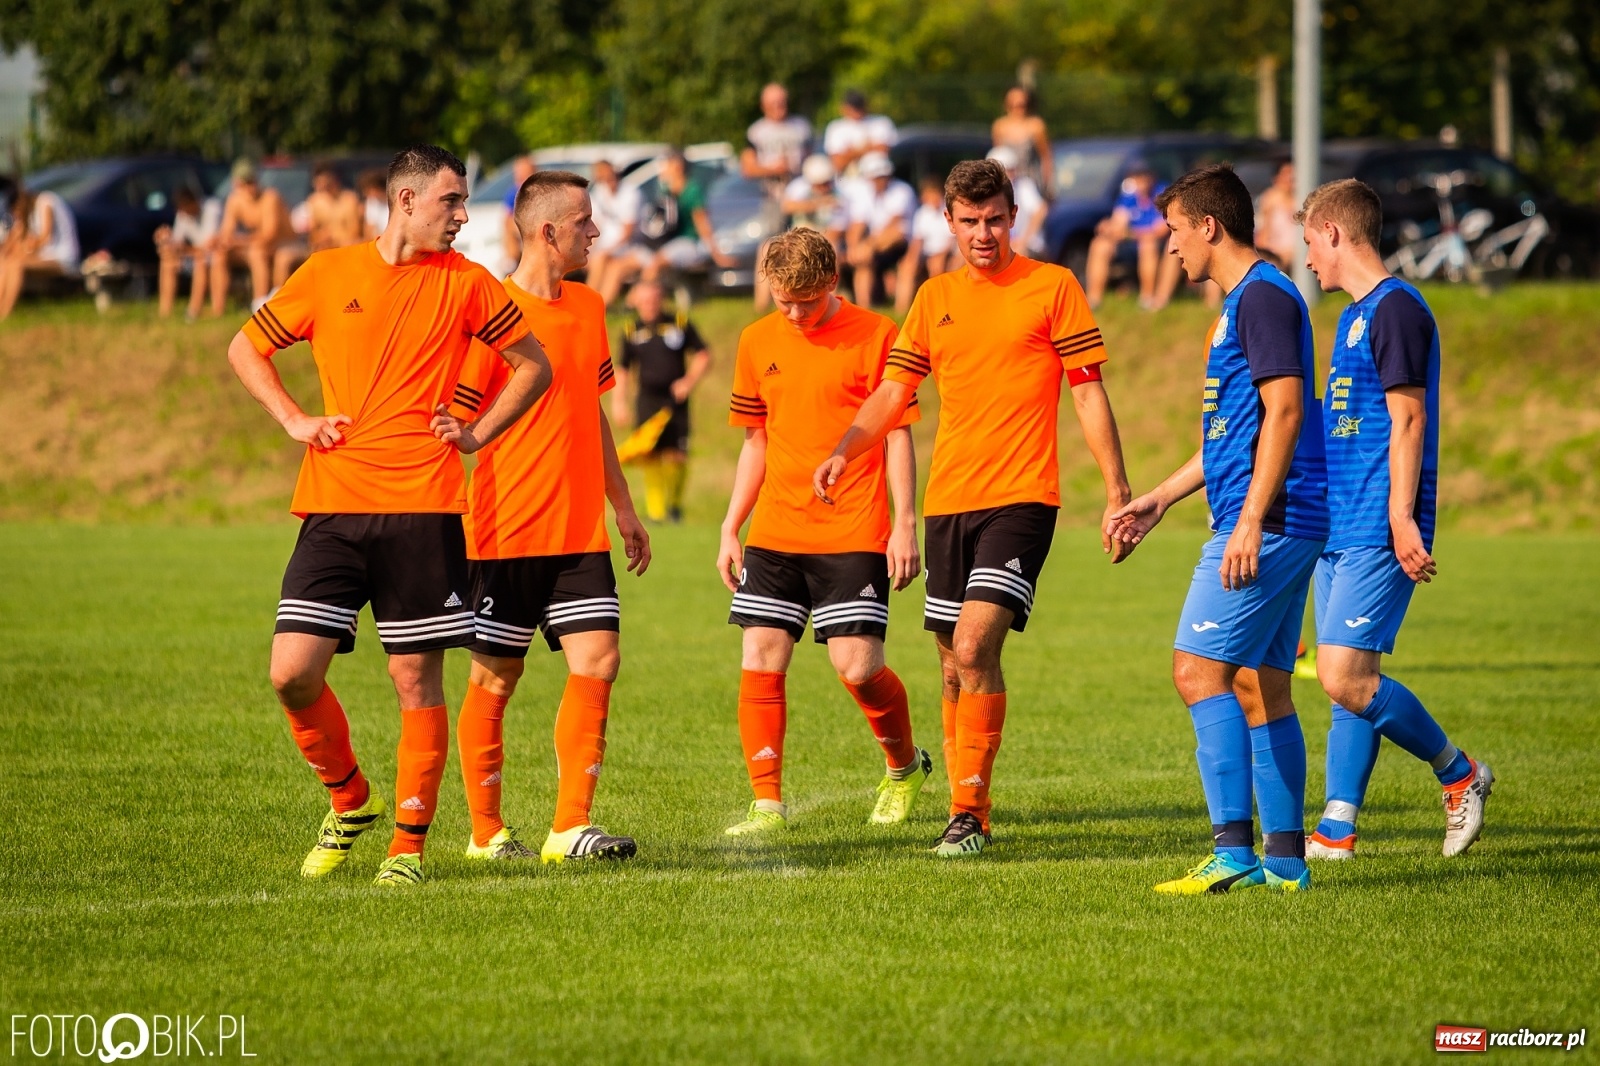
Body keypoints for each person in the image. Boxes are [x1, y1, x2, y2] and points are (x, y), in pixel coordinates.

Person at [225, 144, 553, 888]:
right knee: (291, 675)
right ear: (406, 202)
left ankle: (406, 850)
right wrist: (292, 418)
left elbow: (535, 364)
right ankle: (348, 799)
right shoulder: (327, 272)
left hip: (423, 507)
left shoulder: (469, 284)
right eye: (451, 202)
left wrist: (474, 434)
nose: (464, 217)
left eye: (465, 203)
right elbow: (247, 348)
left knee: (416, 682)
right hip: (334, 505)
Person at [813, 159, 1134, 858]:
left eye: (994, 220)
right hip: (948, 502)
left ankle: (970, 814)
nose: (983, 234)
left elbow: (1086, 392)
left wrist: (1117, 491)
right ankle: (963, 800)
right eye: (969, 221)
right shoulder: (933, 298)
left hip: (1023, 498)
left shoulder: (1054, 286)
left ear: (1012, 217)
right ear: (950, 222)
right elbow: (894, 392)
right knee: (951, 667)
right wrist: (846, 447)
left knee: (974, 645)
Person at [1106, 164, 1328, 894]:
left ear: (1209, 227)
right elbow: (1236, 433)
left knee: (1196, 671)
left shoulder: (1261, 298)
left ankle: (1233, 854)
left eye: (1173, 231)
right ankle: (1287, 863)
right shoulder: (1242, 303)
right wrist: (1161, 498)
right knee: (1262, 684)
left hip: (1270, 520)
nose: (1169, 247)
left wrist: (1251, 521)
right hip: (1273, 517)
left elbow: (1289, 412)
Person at [452, 170, 651, 865]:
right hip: (505, 529)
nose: (597, 233)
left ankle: (569, 827)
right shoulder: (488, 310)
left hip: (578, 532)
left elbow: (589, 413)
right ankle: (485, 835)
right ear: (548, 231)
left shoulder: (592, 306)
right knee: (495, 679)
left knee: (599, 660)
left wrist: (623, 507)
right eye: (586, 222)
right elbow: (458, 418)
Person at [1296, 178, 1493, 860]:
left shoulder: (1396, 310)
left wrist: (1402, 520)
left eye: (1310, 245)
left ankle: (1460, 773)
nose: (1309, 260)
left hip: (1379, 525)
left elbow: (1409, 419)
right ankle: (1337, 828)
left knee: (1344, 676)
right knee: (1348, 680)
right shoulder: (1353, 317)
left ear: (1334, 235)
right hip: (1340, 522)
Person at [718, 227, 930, 835]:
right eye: (782, 301)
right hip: (777, 530)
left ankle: (903, 767)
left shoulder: (878, 335)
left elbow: (896, 434)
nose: (793, 313)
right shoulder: (757, 340)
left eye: (805, 302)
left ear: (832, 284)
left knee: (858, 667)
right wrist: (732, 527)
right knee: (760, 654)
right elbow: (755, 442)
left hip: (855, 528)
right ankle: (766, 804)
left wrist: (904, 523)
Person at [612, 279, 711, 523]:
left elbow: (703, 355)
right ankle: (656, 513)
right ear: (636, 302)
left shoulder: (679, 323)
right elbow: (623, 369)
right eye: (644, 300)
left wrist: (688, 382)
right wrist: (619, 402)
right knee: (650, 455)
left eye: (653, 299)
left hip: (675, 399)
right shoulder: (630, 330)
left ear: (661, 299)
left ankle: (675, 506)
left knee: (677, 454)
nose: (649, 305)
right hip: (647, 399)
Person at [600, 150, 730, 305]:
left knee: (654, 264)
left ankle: (633, 304)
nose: (663, 168)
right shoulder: (666, 191)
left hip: (687, 242)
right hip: (661, 244)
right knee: (618, 265)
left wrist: (716, 253)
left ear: (678, 166)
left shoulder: (692, 191)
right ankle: (601, 306)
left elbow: (703, 224)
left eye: (667, 164)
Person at [755, 154, 849, 311]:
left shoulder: (839, 196)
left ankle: (830, 302)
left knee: (833, 250)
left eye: (825, 183)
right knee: (766, 249)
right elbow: (787, 206)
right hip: (795, 240)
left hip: (823, 241)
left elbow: (836, 231)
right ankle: (762, 305)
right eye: (818, 184)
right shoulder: (799, 187)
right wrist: (817, 204)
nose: (822, 187)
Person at [1083, 162, 1182, 311]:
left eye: (1143, 176)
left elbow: (1160, 230)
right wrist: (1108, 227)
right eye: (1137, 177)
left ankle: (1147, 298)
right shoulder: (1129, 196)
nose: (1141, 181)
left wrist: (1129, 233)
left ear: (1151, 176)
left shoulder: (1163, 194)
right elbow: (1119, 222)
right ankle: (1094, 299)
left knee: (1147, 244)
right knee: (1099, 244)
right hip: (1131, 244)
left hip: (1157, 244)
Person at [210, 159, 293, 314]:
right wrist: (221, 241)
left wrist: (238, 241)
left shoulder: (270, 197)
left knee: (257, 252)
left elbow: (270, 235)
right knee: (220, 254)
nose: (249, 187)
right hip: (258, 245)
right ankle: (218, 308)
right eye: (245, 183)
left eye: (251, 181)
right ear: (236, 184)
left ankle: (259, 303)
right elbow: (226, 232)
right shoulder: (235, 201)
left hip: (284, 244)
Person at [844, 151, 914, 309]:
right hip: (878, 243)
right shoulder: (865, 194)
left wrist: (867, 245)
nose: (880, 180)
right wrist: (853, 248)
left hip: (901, 244)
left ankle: (899, 308)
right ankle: (864, 308)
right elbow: (857, 224)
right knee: (863, 261)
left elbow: (895, 223)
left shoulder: (902, 190)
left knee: (895, 233)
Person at [275, 163, 365, 284]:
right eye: (319, 183)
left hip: (346, 244)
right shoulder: (315, 201)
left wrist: (333, 237)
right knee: (283, 256)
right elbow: (313, 235)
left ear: (334, 180)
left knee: (345, 247)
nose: (322, 187)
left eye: (325, 183)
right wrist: (321, 237)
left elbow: (355, 232)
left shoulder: (350, 199)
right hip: (321, 245)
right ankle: (277, 296)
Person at [0, 187, 80, 320]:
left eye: (16, 210)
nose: (16, 215)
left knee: (16, 265)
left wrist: (28, 247)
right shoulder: (30, 214)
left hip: (63, 259)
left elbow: (46, 238)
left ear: (21, 202)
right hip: (47, 258)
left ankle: (5, 313)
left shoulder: (45, 202)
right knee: (6, 263)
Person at [155, 186, 222, 320]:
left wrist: (184, 249)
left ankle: (193, 311)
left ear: (194, 202)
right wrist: (166, 242)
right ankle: (164, 312)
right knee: (168, 262)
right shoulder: (183, 214)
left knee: (200, 261)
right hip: (198, 254)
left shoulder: (212, 209)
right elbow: (178, 243)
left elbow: (208, 246)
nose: (184, 213)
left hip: (215, 256)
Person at [585, 159, 639, 306]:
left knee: (612, 267)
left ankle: (597, 306)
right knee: (599, 260)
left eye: (609, 177)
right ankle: (591, 304)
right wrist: (590, 249)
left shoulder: (630, 193)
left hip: (632, 248)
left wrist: (607, 250)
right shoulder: (599, 193)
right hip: (608, 249)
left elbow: (629, 232)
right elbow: (597, 225)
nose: (607, 181)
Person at [741, 82, 812, 189]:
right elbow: (748, 169)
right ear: (763, 105)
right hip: (769, 192)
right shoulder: (756, 132)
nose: (778, 106)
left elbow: (811, 160)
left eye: (781, 102)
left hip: (799, 191)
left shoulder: (801, 126)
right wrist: (774, 170)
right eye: (773, 103)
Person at [822, 90, 898, 182]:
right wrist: (867, 148)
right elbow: (838, 162)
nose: (856, 112)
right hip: (848, 180)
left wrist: (850, 151)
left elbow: (884, 150)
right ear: (844, 107)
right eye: (853, 108)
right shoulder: (836, 128)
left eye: (859, 107)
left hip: (879, 181)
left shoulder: (881, 123)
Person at [991, 85, 1053, 191]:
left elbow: (1046, 158)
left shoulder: (1036, 125)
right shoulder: (1000, 126)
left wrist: (1048, 186)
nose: (1018, 107)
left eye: (1021, 104)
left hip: (1033, 181)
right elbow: (998, 157)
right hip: (1009, 182)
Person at [988, 146, 1046, 257]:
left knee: (1017, 253)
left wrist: (1023, 240)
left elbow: (1040, 211)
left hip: (1029, 245)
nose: (1009, 174)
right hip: (1002, 243)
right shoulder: (988, 192)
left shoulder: (1024, 186)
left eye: (1010, 169)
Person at [906, 175, 955, 284]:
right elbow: (918, 240)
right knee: (907, 266)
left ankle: (937, 298)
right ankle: (903, 301)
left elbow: (951, 240)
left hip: (947, 252)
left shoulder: (948, 209)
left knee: (937, 264)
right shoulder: (922, 213)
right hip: (927, 253)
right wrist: (911, 258)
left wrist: (941, 255)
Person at [1255, 160, 1300, 270]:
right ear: (1277, 178)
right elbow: (1263, 235)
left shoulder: (1301, 200)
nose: (1290, 178)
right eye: (1286, 173)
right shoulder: (1270, 199)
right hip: (1277, 251)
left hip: (1297, 251)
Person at [501, 155, 537, 272]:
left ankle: (511, 261)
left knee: (510, 228)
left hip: (535, 225)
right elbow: (507, 216)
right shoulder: (513, 193)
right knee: (508, 228)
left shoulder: (539, 191)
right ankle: (511, 260)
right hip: (521, 228)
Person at [359, 170, 389, 239]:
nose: (365, 193)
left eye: (368, 190)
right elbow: (369, 228)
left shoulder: (395, 201)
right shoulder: (371, 202)